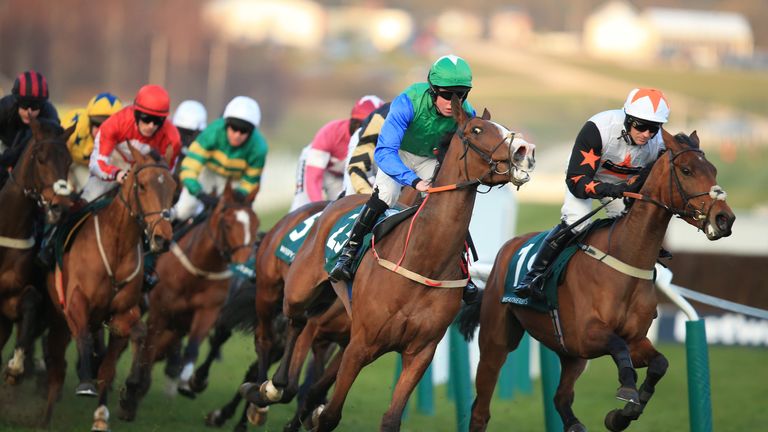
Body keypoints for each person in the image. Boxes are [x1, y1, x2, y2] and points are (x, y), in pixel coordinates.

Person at [328, 54, 480, 304]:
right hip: (396, 154)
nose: (454, 102)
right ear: (432, 90)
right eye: (447, 95)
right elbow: (384, 152)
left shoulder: (466, 112)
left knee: (449, 204)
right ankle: (349, 253)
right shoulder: (407, 102)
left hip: (428, 159)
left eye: (461, 94)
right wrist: (413, 181)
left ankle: (464, 270)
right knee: (386, 195)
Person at [512, 87, 671, 301]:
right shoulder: (598, 128)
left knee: (635, 230)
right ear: (628, 118)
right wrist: (612, 190)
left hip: (620, 185)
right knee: (577, 222)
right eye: (641, 126)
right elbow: (576, 183)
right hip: (585, 176)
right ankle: (534, 276)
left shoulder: (659, 144)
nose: (646, 135)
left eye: (654, 128)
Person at [172, 95, 267, 222]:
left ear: (252, 132)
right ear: (226, 124)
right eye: (234, 127)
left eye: (244, 131)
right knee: (184, 210)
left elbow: (251, 179)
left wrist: (241, 193)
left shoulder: (259, 148)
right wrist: (197, 191)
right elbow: (190, 166)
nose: (237, 135)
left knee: (240, 220)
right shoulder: (212, 133)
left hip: (235, 179)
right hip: (208, 173)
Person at [80, 84, 181, 202]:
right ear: (136, 113)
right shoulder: (115, 124)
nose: (151, 126)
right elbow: (97, 164)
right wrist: (117, 174)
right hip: (113, 161)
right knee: (91, 197)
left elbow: (166, 174)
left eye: (158, 120)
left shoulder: (173, 139)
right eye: (146, 118)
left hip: (145, 168)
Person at [289, 95, 385, 211]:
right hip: (317, 169)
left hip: (339, 176)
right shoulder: (330, 133)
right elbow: (313, 177)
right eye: (360, 125)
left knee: (341, 211)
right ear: (351, 121)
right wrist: (318, 210)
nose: (362, 131)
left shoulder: (380, 142)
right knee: (303, 207)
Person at [0, 70, 59, 186]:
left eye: (35, 106)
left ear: (42, 105)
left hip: (30, 149)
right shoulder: (4, 107)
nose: (29, 112)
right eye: (25, 105)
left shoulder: (50, 114)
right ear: (16, 101)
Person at [62, 92, 123, 192]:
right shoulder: (76, 127)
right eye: (97, 124)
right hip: (69, 162)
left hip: (86, 166)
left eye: (109, 126)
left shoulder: (122, 136)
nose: (102, 131)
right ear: (89, 121)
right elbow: (56, 155)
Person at [342, 102, 391, 196]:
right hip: (367, 142)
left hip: (388, 147)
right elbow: (356, 168)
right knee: (353, 192)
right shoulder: (382, 120)